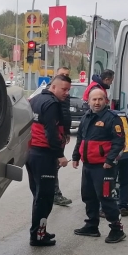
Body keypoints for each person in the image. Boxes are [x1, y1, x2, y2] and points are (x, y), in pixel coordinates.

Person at [72, 87, 126, 243]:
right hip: (88, 165)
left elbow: (119, 142)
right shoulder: (86, 117)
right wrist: (76, 156)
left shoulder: (112, 119)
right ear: (88, 101)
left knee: (106, 197)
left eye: (100, 99)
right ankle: (92, 226)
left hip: (104, 166)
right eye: (94, 99)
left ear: (106, 101)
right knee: (88, 196)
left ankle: (117, 229)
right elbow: (80, 140)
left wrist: (110, 161)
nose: (96, 102)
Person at [26, 75, 71, 246]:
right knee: (44, 199)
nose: (66, 93)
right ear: (53, 87)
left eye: (68, 90)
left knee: (38, 196)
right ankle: (38, 236)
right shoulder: (52, 104)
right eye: (64, 89)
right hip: (44, 154)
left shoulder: (35, 99)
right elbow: (51, 132)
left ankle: (39, 231)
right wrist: (60, 154)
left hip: (31, 154)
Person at [53, 68, 74, 207]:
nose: (65, 76)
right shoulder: (52, 97)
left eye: (67, 75)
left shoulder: (65, 96)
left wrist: (66, 132)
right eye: (62, 74)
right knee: (53, 165)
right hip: (55, 134)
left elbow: (66, 115)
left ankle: (53, 193)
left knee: (54, 166)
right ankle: (55, 194)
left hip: (61, 133)